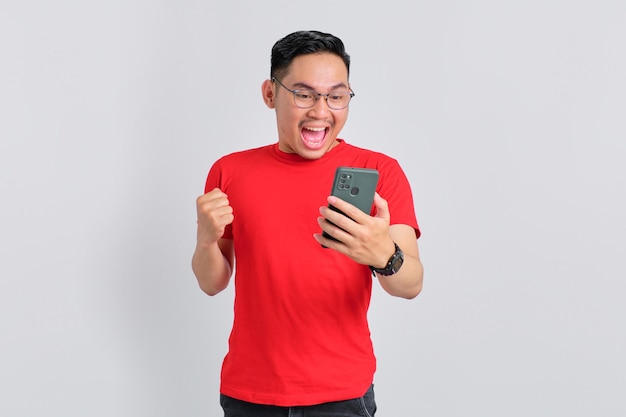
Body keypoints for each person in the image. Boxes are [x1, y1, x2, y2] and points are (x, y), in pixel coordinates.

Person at [192, 30, 424, 416]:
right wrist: (204, 241)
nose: (321, 111)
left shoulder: (379, 172)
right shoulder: (229, 171)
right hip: (249, 392)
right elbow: (212, 282)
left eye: (336, 96)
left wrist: (382, 253)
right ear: (270, 94)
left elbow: (410, 284)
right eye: (304, 94)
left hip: (341, 394)